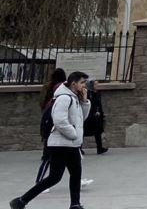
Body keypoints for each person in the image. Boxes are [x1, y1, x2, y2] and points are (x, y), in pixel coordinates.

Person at [9, 70, 92, 209]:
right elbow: (60, 121)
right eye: (82, 82)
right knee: (55, 177)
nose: (85, 85)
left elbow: (81, 119)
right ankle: (21, 201)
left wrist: (84, 101)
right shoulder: (64, 98)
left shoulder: (74, 98)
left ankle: (75, 204)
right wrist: (73, 134)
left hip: (70, 144)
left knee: (76, 174)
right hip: (61, 144)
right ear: (73, 83)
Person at [34, 69, 66, 183]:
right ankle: (39, 181)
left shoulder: (48, 87)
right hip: (53, 125)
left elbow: (41, 100)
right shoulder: (60, 94)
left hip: (48, 118)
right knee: (49, 158)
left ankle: (77, 180)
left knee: (73, 160)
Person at [83, 79, 108, 154]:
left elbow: (98, 104)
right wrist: (94, 112)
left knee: (97, 132)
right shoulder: (88, 94)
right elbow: (88, 105)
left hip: (96, 117)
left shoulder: (96, 93)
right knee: (83, 133)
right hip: (89, 117)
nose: (97, 86)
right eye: (95, 84)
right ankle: (79, 149)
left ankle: (99, 148)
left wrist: (100, 113)